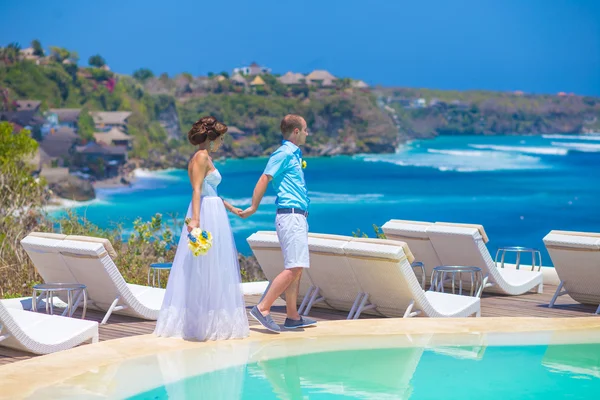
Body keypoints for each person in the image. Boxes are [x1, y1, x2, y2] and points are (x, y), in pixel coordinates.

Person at [154, 116, 249, 341]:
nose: (222, 143)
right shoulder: (201, 157)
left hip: (213, 210)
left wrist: (232, 207)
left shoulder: (204, 157)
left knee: (214, 265)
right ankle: (202, 323)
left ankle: (211, 319)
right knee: (204, 267)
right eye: (221, 138)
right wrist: (195, 220)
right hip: (205, 214)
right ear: (211, 138)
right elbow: (197, 190)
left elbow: (210, 190)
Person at [240, 114, 317, 333]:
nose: (307, 133)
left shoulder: (292, 154)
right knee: (294, 268)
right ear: (296, 132)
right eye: (305, 129)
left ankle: (292, 317)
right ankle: (262, 308)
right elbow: (265, 178)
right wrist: (253, 207)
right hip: (290, 216)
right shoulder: (283, 153)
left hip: (297, 216)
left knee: (297, 268)